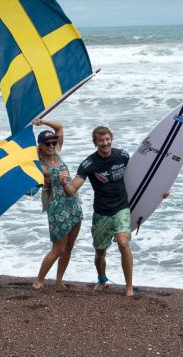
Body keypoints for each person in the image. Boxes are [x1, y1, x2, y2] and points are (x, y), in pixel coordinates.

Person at [59, 126, 135, 296]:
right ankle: (102, 279)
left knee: (123, 242)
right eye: (101, 140)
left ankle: (129, 286)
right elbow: (72, 191)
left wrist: (161, 190)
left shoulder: (122, 156)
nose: (105, 143)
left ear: (111, 139)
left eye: (107, 139)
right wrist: (64, 182)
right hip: (101, 212)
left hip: (121, 207)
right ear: (95, 143)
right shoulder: (89, 164)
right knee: (100, 252)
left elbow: (139, 176)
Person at [32, 119, 83, 290]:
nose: (52, 145)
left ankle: (59, 280)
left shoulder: (58, 153)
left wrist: (42, 121)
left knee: (69, 247)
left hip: (73, 204)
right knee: (58, 248)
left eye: (54, 142)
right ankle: (39, 280)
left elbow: (60, 126)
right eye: (48, 143)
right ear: (40, 146)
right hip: (57, 207)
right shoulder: (41, 166)